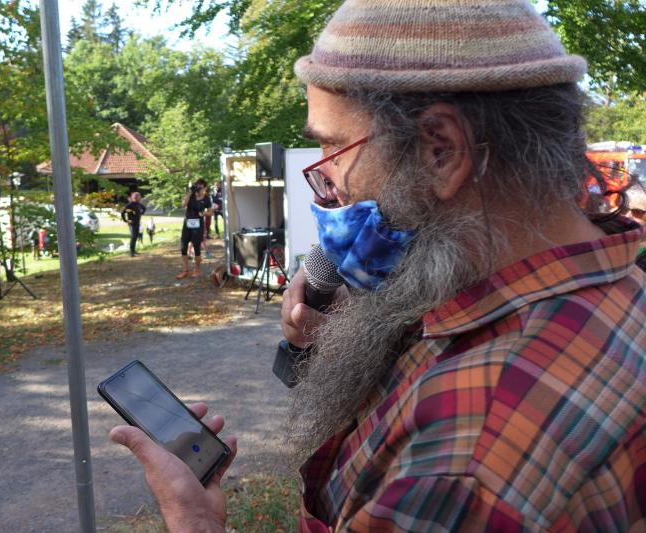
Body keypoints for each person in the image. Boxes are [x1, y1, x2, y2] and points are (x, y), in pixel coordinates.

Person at [109, 1, 646, 531]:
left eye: (334, 149)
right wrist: (356, 329)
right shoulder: (618, 287)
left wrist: (196, 523)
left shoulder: (457, 467)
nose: (329, 188)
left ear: (441, 151)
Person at [176, 179, 213, 279]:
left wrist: (204, 213)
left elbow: (210, 212)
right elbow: (183, 204)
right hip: (187, 223)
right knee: (183, 247)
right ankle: (185, 270)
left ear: (205, 188)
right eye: (197, 186)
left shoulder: (206, 198)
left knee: (197, 248)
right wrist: (190, 192)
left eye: (201, 187)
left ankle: (197, 269)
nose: (199, 188)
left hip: (198, 225)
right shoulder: (191, 195)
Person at [121, 191, 147, 257]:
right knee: (133, 236)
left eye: (140, 197)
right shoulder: (129, 205)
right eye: (139, 197)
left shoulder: (138, 204)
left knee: (136, 236)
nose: (140, 198)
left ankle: (134, 250)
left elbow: (144, 208)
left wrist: (141, 213)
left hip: (137, 223)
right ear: (134, 197)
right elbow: (122, 212)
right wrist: (126, 220)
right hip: (132, 224)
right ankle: (131, 252)